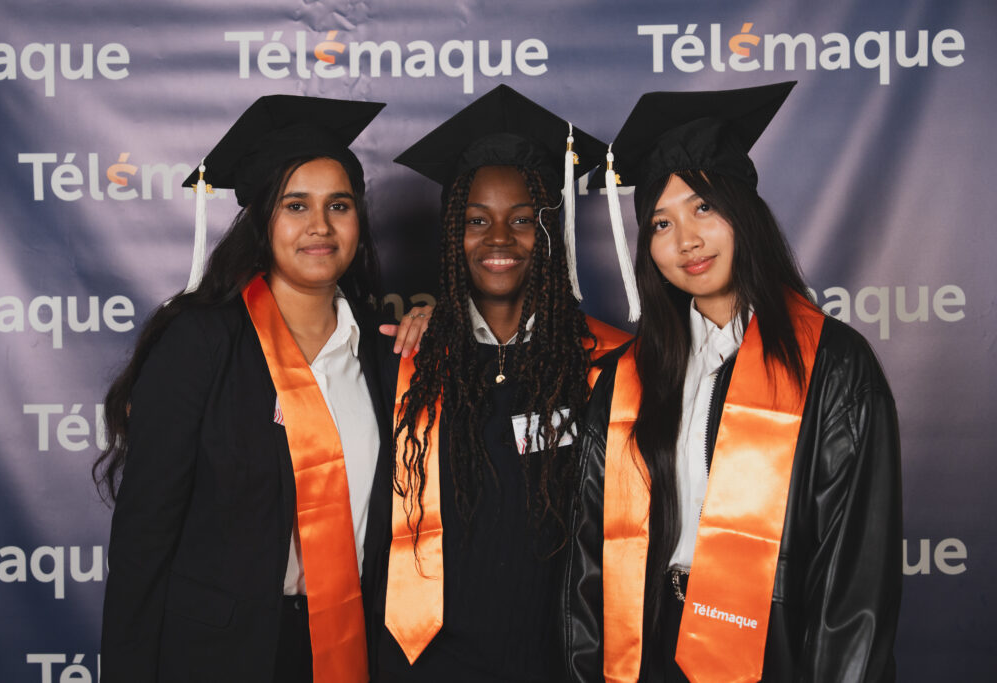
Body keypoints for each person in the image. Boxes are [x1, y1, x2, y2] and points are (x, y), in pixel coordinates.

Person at [563, 82, 902, 682]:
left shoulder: (833, 367)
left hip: (775, 651)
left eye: (703, 208)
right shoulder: (626, 378)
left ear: (744, 212)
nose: (686, 241)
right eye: (661, 223)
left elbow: (853, 586)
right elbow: (590, 562)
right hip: (651, 647)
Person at [93, 94, 426, 683]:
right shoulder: (201, 343)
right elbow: (144, 538)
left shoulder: (382, 353)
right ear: (261, 220)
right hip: (216, 655)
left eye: (339, 205)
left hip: (348, 643)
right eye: (296, 205)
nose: (320, 226)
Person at [363, 85, 632, 682]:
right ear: (453, 235)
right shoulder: (408, 364)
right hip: (429, 662)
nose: (500, 239)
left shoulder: (603, 366)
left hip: (558, 657)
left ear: (550, 231)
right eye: (477, 220)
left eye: (523, 220)